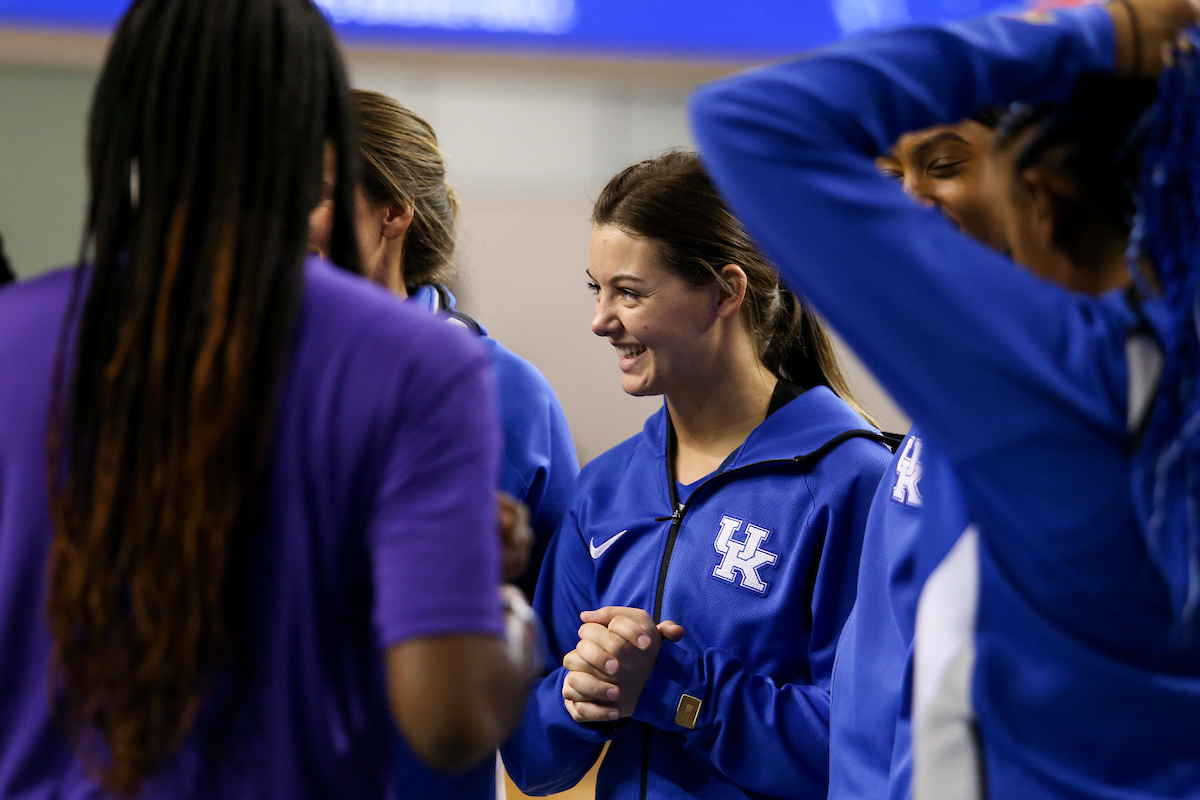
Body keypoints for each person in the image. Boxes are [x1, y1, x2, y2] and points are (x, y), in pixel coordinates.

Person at [0, 0, 538, 798]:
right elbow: (448, 721)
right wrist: (502, 609)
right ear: (310, 127)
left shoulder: (14, 337)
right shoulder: (419, 364)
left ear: (125, 121)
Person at [692, 0, 1200, 797]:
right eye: (892, 174)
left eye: (947, 162)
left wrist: (1098, 32)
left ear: (1042, 202)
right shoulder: (1127, 375)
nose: (908, 202)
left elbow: (750, 119)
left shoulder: (1043, 378)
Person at [501, 150, 894, 799]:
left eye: (629, 292)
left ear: (725, 291)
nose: (601, 320)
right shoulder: (605, 491)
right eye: (596, 289)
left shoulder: (852, 482)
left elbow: (864, 750)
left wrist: (679, 688)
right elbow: (531, 761)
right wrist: (582, 698)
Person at [308, 89, 578, 800]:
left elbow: (554, 639)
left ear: (394, 212)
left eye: (312, 192)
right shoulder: (236, 376)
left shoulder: (505, 392)